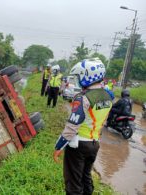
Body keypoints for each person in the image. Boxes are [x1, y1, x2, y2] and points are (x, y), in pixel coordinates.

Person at [53, 58, 113, 195]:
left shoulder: (82, 98)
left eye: (79, 76)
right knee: (86, 177)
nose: (78, 80)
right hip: (94, 144)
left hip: (78, 145)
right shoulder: (108, 96)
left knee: (73, 182)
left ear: (87, 76)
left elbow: (73, 125)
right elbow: (103, 121)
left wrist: (59, 146)